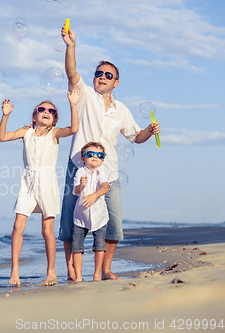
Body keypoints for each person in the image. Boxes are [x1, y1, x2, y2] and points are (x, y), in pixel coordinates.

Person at [58, 25, 161, 281]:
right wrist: (71, 45)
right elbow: (71, 72)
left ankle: (105, 269)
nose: (102, 77)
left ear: (116, 82)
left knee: (112, 224)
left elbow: (136, 137)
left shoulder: (121, 109)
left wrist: (149, 130)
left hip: (109, 173)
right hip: (78, 167)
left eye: (108, 75)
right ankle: (72, 269)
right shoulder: (85, 97)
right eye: (98, 73)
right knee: (71, 223)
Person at [0, 86, 81, 286]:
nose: (46, 113)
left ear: (54, 120)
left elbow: (75, 128)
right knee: (18, 226)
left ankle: (51, 272)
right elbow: (1, 137)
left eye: (52, 112)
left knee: (47, 230)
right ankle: (14, 270)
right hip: (27, 180)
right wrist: (5, 116)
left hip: (47, 181)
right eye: (42, 109)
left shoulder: (54, 134)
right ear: (34, 116)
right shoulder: (26, 132)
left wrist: (73, 104)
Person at [71, 142, 110, 283]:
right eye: (90, 154)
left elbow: (106, 187)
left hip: (100, 216)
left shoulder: (102, 172)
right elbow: (75, 191)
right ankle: (79, 277)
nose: (95, 157)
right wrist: (81, 186)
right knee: (76, 247)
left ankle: (96, 275)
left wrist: (94, 195)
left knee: (100, 246)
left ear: (103, 159)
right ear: (83, 158)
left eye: (99, 155)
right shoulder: (80, 171)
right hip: (81, 215)